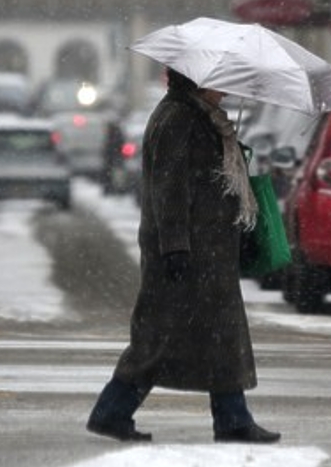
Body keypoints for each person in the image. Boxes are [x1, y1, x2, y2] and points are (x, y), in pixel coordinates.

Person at [86, 68, 280, 444]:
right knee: (158, 339)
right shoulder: (178, 118)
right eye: (219, 79)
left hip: (209, 251)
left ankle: (232, 418)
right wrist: (176, 247)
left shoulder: (201, 117)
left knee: (219, 336)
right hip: (188, 251)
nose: (226, 87)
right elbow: (169, 188)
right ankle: (113, 411)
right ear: (197, 80)